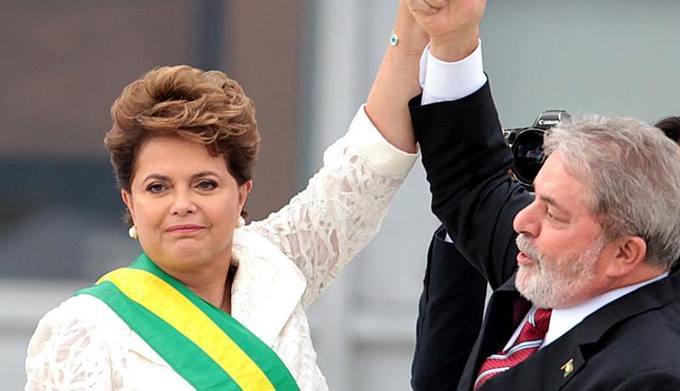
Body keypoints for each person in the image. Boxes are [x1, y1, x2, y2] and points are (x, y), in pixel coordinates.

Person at [24, 3, 428, 390]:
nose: (182, 203)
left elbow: (366, 171)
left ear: (242, 193)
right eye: (158, 187)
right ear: (130, 202)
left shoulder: (275, 264)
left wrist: (415, 26)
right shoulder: (85, 328)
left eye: (205, 184)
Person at [407, 0, 680, 390]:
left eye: (553, 212)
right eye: (534, 196)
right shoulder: (563, 262)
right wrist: (454, 39)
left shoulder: (651, 376)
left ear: (625, 253)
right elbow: (474, 182)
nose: (521, 219)